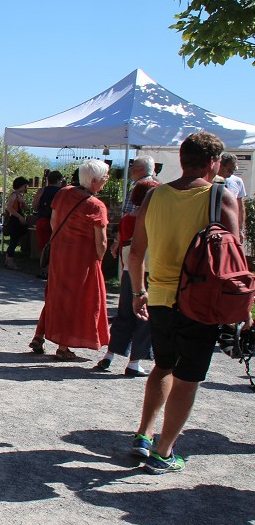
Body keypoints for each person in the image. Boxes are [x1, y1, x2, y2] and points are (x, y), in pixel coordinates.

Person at [128, 132, 243, 474]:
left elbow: (136, 252)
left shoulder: (154, 196)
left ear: (182, 159)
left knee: (162, 365)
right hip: (200, 299)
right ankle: (164, 452)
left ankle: (143, 434)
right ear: (214, 163)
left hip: (160, 296)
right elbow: (234, 257)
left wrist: (137, 291)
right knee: (188, 376)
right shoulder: (222, 197)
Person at [29, 160, 110, 359]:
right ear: (94, 180)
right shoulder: (96, 205)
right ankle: (63, 347)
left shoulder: (63, 193)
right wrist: (99, 258)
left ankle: (39, 336)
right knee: (75, 300)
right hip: (81, 259)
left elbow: (53, 222)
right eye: (104, 177)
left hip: (60, 253)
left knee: (55, 295)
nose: (106, 180)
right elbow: (102, 242)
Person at [94, 180, 158, 376]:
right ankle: (134, 362)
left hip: (128, 271)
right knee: (145, 318)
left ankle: (110, 355)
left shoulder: (126, 219)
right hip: (147, 271)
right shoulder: (151, 219)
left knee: (124, 315)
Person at [31, 170, 64, 278]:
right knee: (56, 247)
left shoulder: (42, 190)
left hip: (42, 220)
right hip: (58, 222)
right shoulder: (62, 192)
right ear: (59, 180)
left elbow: (34, 206)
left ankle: (44, 270)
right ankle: (53, 271)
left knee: (44, 247)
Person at [218, 152, 247, 241]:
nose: (231, 173)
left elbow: (240, 207)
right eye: (229, 170)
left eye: (234, 170)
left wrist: (241, 229)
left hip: (231, 225)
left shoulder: (237, 181)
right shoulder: (210, 180)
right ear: (220, 166)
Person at [3, 177, 30, 269]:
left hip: (18, 219)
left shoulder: (20, 196)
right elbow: (9, 208)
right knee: (14, 241)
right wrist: (19, 216)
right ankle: (9, 261)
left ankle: (8, 260)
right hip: (14, 220)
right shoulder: (14, 195)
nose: (26, 188)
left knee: (15, 241)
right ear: (20, 186)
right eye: (25, 186)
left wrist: (23, 203)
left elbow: (26, 209)